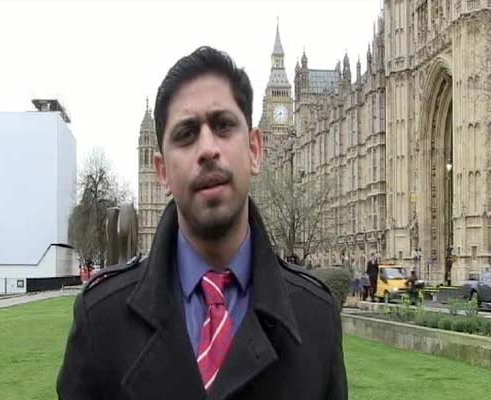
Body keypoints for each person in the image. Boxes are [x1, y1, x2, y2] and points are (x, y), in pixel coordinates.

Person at [57, 47, 347, 399]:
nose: (208, 148)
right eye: (186, 133)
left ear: (255, 150)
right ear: (161, 171)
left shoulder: (317, 316)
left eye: (223, 126)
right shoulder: (102, 318)